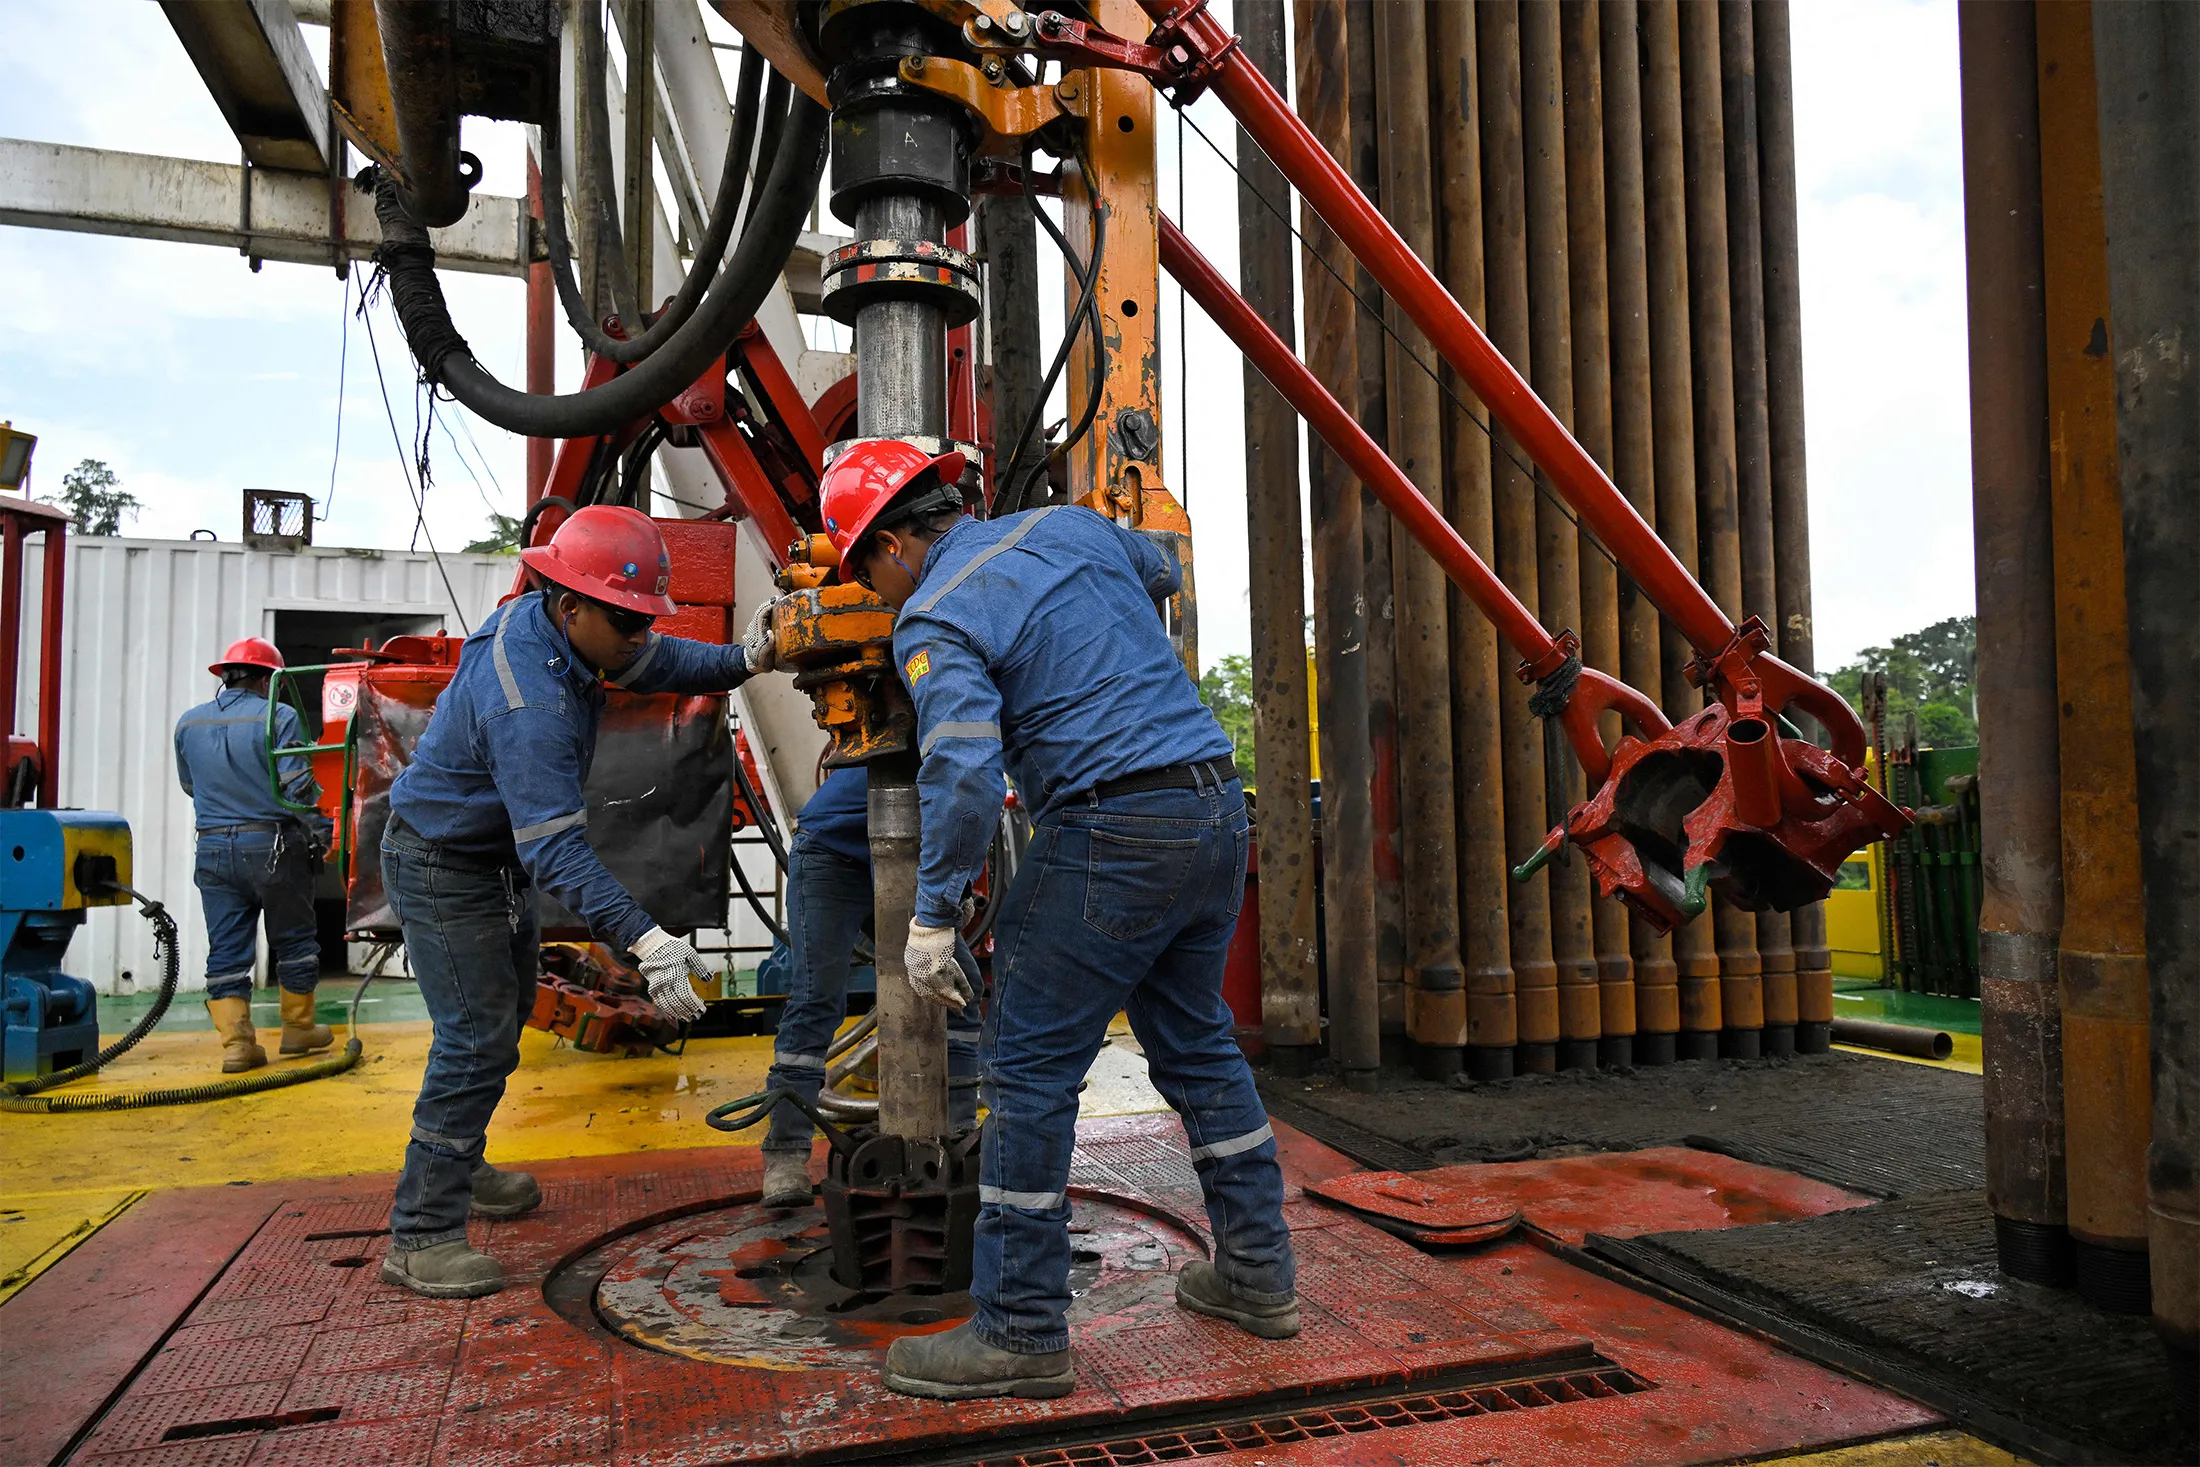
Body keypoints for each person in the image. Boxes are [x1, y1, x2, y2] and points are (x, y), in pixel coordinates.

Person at [815, 441, 1296, 1400]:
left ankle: (1020, 1329)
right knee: (1199, 1046)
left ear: (890, 545)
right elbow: (1159, 563)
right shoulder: (1071, 525)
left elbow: (958, 767)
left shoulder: (935, 612)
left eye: (861, 568)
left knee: (1027, 1069)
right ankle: (1256, 1273)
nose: (871, 588)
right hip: (1210, 807)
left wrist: (933, 917)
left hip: (1108, 823)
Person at [378, 505, 780, 1299]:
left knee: (504, 1014)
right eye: (625, 620)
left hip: (485, 862)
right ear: (571, 606)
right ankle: (421, 1230)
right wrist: (648, 939)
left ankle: (458, 1161)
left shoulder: (563, 626)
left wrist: (746, 659)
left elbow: (658, 662)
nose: (639, 636)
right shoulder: (528, 699)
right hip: (443, 864)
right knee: (474, 1037)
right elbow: (555, 848)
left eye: (644, 618)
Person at [758, 764, 984, 1207]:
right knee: (817, 997)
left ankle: (957, 1136)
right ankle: (785, 1155)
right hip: (832, 855)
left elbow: (969, 819)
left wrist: (957, 892)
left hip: (908, 859)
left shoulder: (982, 748)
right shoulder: (946, 719)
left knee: (960, 991)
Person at [174, 637, 337, 1073]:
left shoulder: (188, 723)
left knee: (226, 949)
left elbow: (190, 785)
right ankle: (298, 1029)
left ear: (225, 676)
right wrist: (325, 834)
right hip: (273, 846)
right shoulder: (279, 716)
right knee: (295, 940)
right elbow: (297, 786)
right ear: (268, 678)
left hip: (211, 849)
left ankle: (236, 1046)